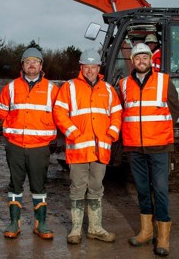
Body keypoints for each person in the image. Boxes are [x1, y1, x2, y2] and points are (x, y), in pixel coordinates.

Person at [53, 49, 122, 245]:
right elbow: (59, 112)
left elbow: (117, 113)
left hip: (100, 149)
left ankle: (95, 228)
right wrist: (72, 132)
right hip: (78, 149)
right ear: (81, 67)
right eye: (86, 66)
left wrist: (112, 132)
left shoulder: (108, 90)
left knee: (96, 188)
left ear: (98, 68)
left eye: (93, 67)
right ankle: (75, 230)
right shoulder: (69, 87)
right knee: (77, 188)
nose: (90, 70)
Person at [119, 43, 179, 256]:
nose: (141, 61)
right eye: (137, 58)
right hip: (134, 146)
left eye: (145, 57)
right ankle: (146, 231)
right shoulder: (124, 84)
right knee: (143, 189)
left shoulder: (163, 81)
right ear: (133, 61)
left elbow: (175, 107)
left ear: (150, 60)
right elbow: (123, 113)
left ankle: (162, 236)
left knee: (161, 190)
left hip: (159, 145)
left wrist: (162, 130)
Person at [0, 47, 59, 240]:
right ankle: (14, 223)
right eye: (28, 61)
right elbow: (1, 110)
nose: (32, 65)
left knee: (38, 186)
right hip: (15, 145)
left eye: (35, 61)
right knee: (15, 184)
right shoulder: (11, 87)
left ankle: (41, 224)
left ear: (41, 66)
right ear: (22, 65)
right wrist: (11, 126)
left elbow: (60, 113)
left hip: (39, 147)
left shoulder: (52, 89)